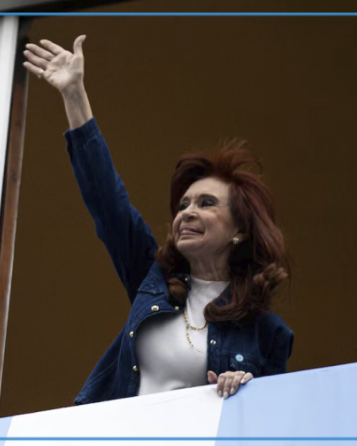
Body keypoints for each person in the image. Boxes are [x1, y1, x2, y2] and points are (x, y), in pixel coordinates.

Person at [23, 35, 294, 405]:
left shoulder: (266, 332)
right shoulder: (152, 282)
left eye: (206, 203)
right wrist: (74, 95)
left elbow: (273, 421)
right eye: (183, 204)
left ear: (240, 230)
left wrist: (244, 390)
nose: (187, 212)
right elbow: (109, 203)